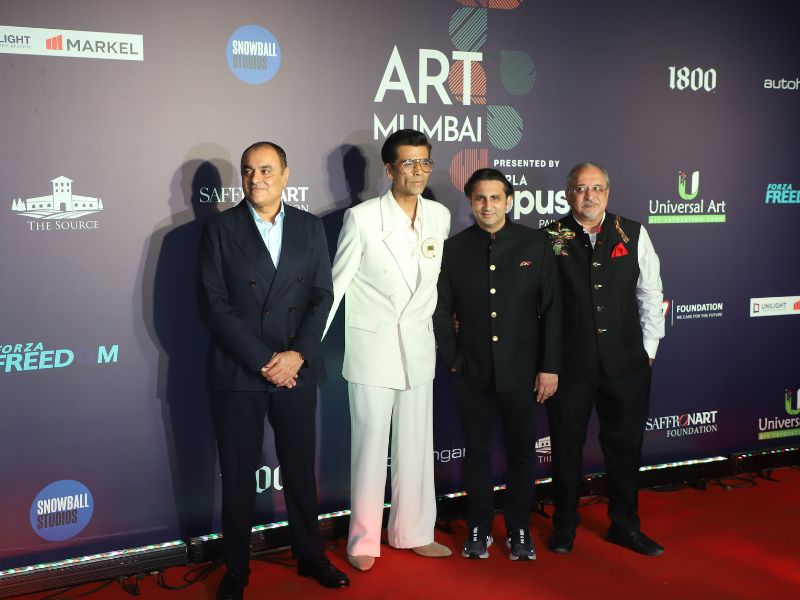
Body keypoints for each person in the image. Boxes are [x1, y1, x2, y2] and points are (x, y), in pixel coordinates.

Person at [198, 141, 349, 599]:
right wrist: (265, 361)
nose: (255, 178)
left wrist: (297, 354)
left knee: (300, 470)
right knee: (237, 475)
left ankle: (310, 554)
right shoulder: (220, 229)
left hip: (296, 369)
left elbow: (322, 295)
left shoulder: (309, 227)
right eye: (248, 170)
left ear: (285, 174)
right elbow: (214, 305)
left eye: (266, 169)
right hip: (240, 371)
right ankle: (237, 568)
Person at [325, 129, 452, 571]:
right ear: (389, 169)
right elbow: (336, 286)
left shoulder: (439, 216)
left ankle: (414, 531)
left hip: (418, 349)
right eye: (408, 163)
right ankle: (363, 540)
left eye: (424, 162)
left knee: (416, 448)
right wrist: (304, 348)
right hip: (372, 350)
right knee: (370, 449)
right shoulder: (361, 219)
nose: (418, 171)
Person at [433, 168, 561, 561]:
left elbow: (552, 309)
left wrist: (549, 367)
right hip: (472, 371)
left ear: (508, 201)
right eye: (479, 198)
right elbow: (441, 310)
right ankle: (479, 526)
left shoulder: (535, 243)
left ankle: (519, 527)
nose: (487, 205)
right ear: (470, 203)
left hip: (523, 372)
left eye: (495, 197)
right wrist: (454, 359)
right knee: (477, 453)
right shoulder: (454, 249)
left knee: (521, 452)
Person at [543, 162, 665, 557]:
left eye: (597, 188)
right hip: (570, 368)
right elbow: (541, 305)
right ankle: (564, 525)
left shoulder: (634, 232)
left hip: (626, 366)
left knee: (625, 449)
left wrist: (649, 349)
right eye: (581, 188)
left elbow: (650, 293)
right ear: (568, 194)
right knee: (565, 450)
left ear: (607, 193)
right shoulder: (550, 237)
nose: (589, 195)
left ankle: (625, 526)